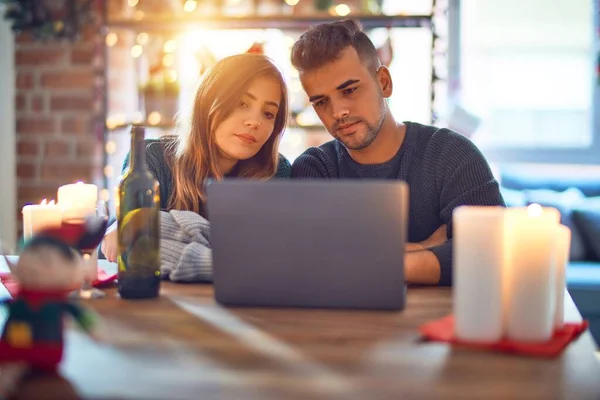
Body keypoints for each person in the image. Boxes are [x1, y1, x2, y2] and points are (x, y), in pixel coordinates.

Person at [290, 20, 504, 286]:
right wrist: (425, 248)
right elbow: (311, 265)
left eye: (349, 90)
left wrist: (373, 263)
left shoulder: (453, 154)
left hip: (441, 324)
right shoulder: (315, 169)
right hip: (343, 326)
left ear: (384, 82)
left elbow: (493, 249)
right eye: (321, 102)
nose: (338, 112)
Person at [102, 53, 291, 262]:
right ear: (208, 101)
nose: (254, 122)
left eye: (268, 114)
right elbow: (134, 243)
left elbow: (274, 255)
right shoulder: (150, 160)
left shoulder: (277, 173)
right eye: (242, 103)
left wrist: (160, 228)